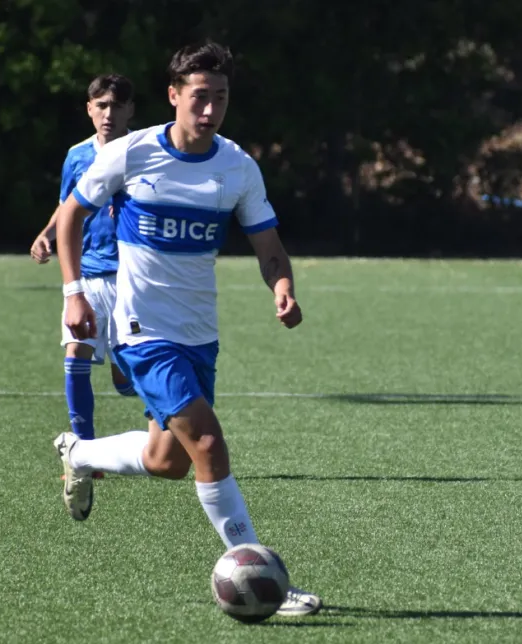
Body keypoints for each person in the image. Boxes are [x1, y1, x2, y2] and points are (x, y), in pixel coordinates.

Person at [52, 42, 322, 617]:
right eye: (199, 96)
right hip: (142, 330)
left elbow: (269, 247)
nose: (209, 109)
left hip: (199, 334)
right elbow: (71, 214)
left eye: (220, 98)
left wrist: (282, 286)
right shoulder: (132, 153)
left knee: (167, 460)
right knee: (207, 444)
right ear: (174, 95)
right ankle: (261, 576)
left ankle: (80, 452)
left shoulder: (237, 167)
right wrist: (74, 293)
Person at [30, 74, 139, 452]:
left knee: (128, 373)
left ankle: (147, 401)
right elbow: (67, 204)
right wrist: (46, 233)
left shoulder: (144, 153)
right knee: (75, 354)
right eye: (102, 105)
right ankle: (85, 453)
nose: (109, 114)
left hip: (130, 276)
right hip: (86, 274)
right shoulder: (77, 155)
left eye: (117, 106)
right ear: (89, 108)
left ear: (130, 110)